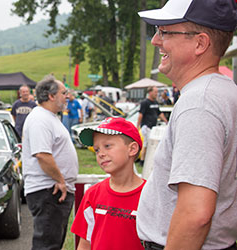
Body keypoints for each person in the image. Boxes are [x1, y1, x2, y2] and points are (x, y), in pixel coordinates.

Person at [137, 1, 237, 249]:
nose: (155, 41)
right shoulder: (221, 92)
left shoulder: (199, 104)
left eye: (165, 32)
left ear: (200, 43)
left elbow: (196, 214)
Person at [22, 75, 79, 250]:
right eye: (64, 92)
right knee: (46, 245)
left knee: (53, 243)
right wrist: (61, 181)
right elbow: (42, 155)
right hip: (49, 190)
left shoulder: (49, 117)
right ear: (51, 96)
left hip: (53, 190)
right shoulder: (40, 119)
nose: (67, 96)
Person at [72, 117, 145, 250]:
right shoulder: (92, 194)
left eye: (107, 146)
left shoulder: (151, 195)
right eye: (97, 149)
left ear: (132, 149)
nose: (100, 154)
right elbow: (84, 244)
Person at [136, 86, 167, 163]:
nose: (156, 94)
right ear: (150, 92)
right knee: (147, 143)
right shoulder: (145, 102)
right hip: (146, 126)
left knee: (150, 144)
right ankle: (142, 160)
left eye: (157, 92)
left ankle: (147, 160)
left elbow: (159, 113)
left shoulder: (155, 103)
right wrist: (138, 126)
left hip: (153, 127)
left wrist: (166, 121)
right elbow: (140, 115)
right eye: (155, 92)